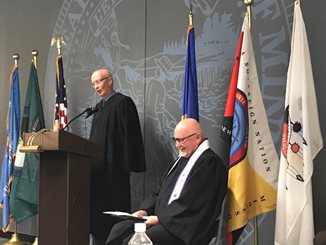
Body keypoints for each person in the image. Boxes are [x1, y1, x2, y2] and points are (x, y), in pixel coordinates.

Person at [105, 118, 228, 245]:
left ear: (197, 137)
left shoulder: (209, 164)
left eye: (182, 140)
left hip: (184, 229)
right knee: (120, 229)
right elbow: (159, 191)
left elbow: (192, 203)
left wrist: (159, 219)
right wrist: (144, 210)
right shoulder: (180, 161)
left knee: (135, 241)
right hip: (164, 222)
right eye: (176, 140)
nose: (177, 145)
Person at [89, 68, 146, 245]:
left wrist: (125, 167)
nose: (96, 87)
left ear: (109, 80)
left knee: (114, 219)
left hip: (114, 174)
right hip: (97, 174)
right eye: (93, 84)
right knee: (98, 219)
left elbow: (130, 136)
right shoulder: (98, 109)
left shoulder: (123, 103)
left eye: (99, 81)